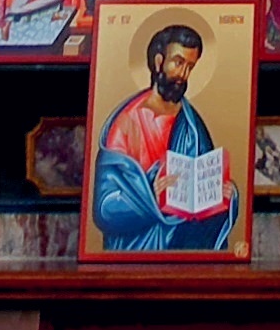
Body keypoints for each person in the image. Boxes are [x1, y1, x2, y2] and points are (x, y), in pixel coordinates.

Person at [93, 21, 238, 253]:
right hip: (136, 248)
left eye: (190, 67)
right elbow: (105, 208)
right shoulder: (127, 122)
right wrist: (149, 194)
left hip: (183, 240)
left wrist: (223, 194)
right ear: (159, 61)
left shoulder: (190, 123)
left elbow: (203, 184)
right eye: (178, 63)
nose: (183, 74)